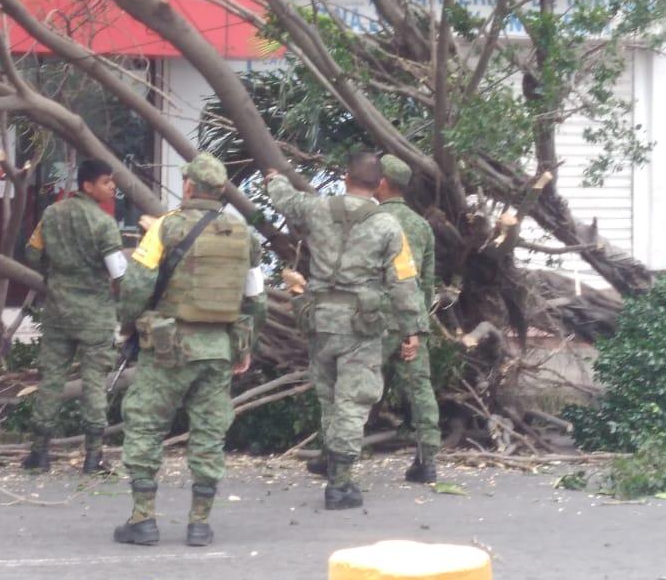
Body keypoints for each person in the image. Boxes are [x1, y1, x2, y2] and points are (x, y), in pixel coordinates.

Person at [113, 153, 265, 547]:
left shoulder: (166, 227)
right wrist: (244, 347)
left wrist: (127, 326)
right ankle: (199, 523)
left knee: (145, 424)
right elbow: (256, 300)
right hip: (218, 350)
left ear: (189, 187)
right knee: (209, 433)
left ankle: (143, 519)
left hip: (168, 347)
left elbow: (136, 286)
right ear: (221, 191)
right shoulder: (244, 233)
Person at [265, 152, 427, 510]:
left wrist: (274, 177)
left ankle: (331, 459)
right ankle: (340, 484)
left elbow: (285, 200)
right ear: (379, 184)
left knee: (329, 399)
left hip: (320, 320)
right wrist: (411, 329)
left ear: (344, 176)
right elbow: (403, 283)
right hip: (362, 325)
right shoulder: (388, 227)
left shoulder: (317, 208)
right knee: (352, 403)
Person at [22, 158, 127, 475]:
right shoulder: (103, 223)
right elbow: (118, 273)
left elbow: (32, 252)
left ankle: (39, 455)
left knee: (51, 380)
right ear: (88, 186)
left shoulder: (51, 214)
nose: (112, 187)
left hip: (57, 311)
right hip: (94, 315)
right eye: (107, 181)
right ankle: (93, 457)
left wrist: (52, 276)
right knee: (95, 384)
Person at [375, 154, 441, 483]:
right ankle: (427, 460)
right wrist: (417, 319)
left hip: (374, 318)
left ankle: (335, 457)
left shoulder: (370, 221)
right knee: (420, 389)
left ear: (382, 183)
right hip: (412, 319)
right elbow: (427, 281)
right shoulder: (421, 225)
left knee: (352, 386)